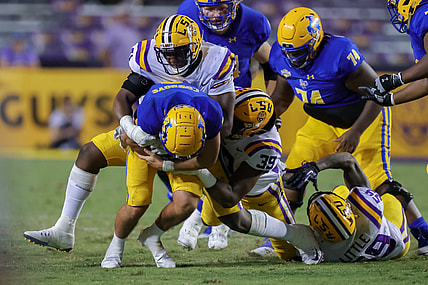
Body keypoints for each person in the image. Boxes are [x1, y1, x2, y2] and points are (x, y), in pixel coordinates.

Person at [23, 14, 236, 256]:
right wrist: (131, 128)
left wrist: (177, 139)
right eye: (167, 53)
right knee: (90, 153)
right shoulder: (149, 57)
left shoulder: (216, 61)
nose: (172, 59)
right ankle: (64, 229)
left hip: (188, 144)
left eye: (179, 52)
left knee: (185, 203)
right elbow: (123, 98)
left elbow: (225, 125)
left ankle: (162, 233)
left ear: (196, 47)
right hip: (145, 135)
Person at [268, 7, 428, 256]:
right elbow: (280, 97)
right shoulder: (279, 54)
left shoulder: (340, 53)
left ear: (315, 41)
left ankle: (423, 232)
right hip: (320, 121)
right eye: (288, 51)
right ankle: (279, 239)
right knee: (291, 178)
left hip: (364, 117)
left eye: (298, 52)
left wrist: (356, 131)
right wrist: (266, 119)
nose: (292, 58)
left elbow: (377, 94)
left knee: (378, 185)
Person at [137, 88, 323, 265]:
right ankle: (199, 213)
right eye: (230, 112)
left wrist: (191, 168)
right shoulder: (225, 106)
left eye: (235, 120)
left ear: (250, 129)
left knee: (288, 254)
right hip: (221, 178)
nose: (226, 120)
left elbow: (232, 196)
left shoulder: (266, 147)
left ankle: (296, 234)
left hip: (260, 192)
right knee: (211, 219)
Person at [176, 0, 277, 250]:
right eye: (209, 9)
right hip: (197, 99)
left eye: (222, 8)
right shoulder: (187, 14)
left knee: (226, 165)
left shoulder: (253, 23)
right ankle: (198, 214)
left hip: (236, 101)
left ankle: (214, 223)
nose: (215, 15)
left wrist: (271, 105)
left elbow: (269, 61)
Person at [100, 82, 223, 268]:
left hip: (180, 156)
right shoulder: (151, 113)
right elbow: (127, 140)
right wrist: (151, 149)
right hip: (150, 148)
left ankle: (152, 236)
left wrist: (167, 164)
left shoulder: (211, 113)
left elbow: (208, 159)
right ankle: (116, 245)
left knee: (187, 204)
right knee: (137, 203)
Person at [288, 152, 410, 262]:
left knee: (340, 189)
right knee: (390, 192)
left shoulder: (326, 250)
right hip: (398, 244)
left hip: (364, 245)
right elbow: (349, 160)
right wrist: (315, 166)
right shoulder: (368, 208)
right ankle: (422, 230)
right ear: (350, 211)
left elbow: (294, 237)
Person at [359, 0, 428, 107]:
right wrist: (390, 99)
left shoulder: (423, 13)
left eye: (396, 5)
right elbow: (426, 81)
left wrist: (395, 80)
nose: (397, 11)